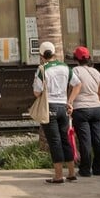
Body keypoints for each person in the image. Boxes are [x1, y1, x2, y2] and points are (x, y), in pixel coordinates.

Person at [32, 42, 77, 184]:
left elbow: (37, 92)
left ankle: (58, 175)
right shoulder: (65, 67)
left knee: (55, 141)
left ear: (41, 55)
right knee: (65, 139)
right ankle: (71, 173)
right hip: (63, 106)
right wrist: (70, 101)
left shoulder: (42, 69)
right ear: (53, 53)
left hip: (49, 107)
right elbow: (77, 84)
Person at [67, 46, 100, 177]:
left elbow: (73, 89)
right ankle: (99, 169)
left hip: (81, 108)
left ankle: (85, 169)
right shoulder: (97, 72)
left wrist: (69, 103)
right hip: (97, 108)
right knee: (98, 139)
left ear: (75, 58)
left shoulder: (75, 71)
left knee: (85, 140)